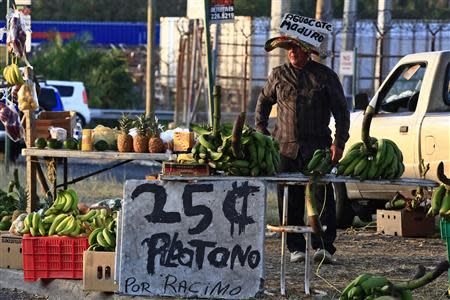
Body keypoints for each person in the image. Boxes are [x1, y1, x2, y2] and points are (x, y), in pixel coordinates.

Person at [255, 36, 350, 264]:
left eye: (297, 48)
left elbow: (341, 112)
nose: (293, 52)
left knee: (322, 198)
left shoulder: (325, 76)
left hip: (318, 149)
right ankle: (295, 247)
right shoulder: (278, 74)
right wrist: (262, 132)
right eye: (289, 48)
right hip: (285, 149)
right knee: (289, 199)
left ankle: (324, 246)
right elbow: (263, 102)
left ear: (308, 51)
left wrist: (339, 142)